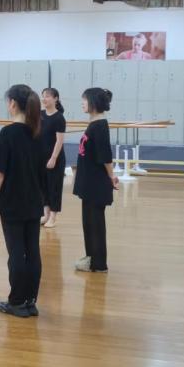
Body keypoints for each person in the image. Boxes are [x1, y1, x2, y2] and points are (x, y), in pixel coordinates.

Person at [0, 85, 44, 318]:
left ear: (12, 103)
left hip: (12, 201)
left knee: (16, 252)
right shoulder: (37, 132)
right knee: (32, 251)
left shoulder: (8, 133)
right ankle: (30, 301)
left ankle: (16, 301)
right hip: (34, 200)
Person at [73, 87, 119, 273]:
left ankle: (99, 264)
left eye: (85, 100)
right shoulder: (94, 123)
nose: (82, 103)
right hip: (89, 181)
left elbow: (105, 156)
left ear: (93, 102)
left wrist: (111, 176)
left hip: (96, 183)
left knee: (95, 224)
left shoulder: (100, 126)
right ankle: (91, 257)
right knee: (89, 223)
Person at [40, 87, 67, 229]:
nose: (44, 99)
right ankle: (45, 214)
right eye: (43, 96)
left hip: (55, 158)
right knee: (43, 186)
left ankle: (53, 217)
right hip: (41, 157)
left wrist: (53, 158)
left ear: (55, 98)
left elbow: (59, 141)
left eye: (47, 96)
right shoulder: (40, 114)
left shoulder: (59, 118)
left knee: (54, 187)